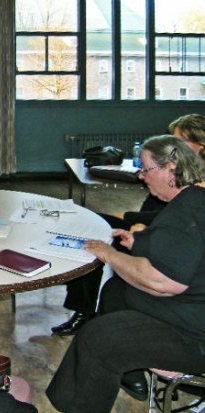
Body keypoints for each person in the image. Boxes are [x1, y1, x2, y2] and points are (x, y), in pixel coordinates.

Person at [46, 135, 205, 413]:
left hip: (195, 334)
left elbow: (163, 282)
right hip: (193, 308)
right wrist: (140, 242)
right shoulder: (193, 200)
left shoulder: (187, 211)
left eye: (146, 169)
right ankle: (133, 378)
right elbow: (182, 249)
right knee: (116, 291)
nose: (142, 177)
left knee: (98, 340)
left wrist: (109, 254)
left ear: (171, 168)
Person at [51, 113, 205, 338]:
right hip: (148, 226)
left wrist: (133, 221)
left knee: (103, 233)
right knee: (93, 228)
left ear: (200, 146)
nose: (173, 145)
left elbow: (181, 223)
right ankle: (83, 310)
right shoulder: (174, 173)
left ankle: (97, 320)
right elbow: (155, 209)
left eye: (179, 141)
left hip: (161, 237)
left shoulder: (195, 185)